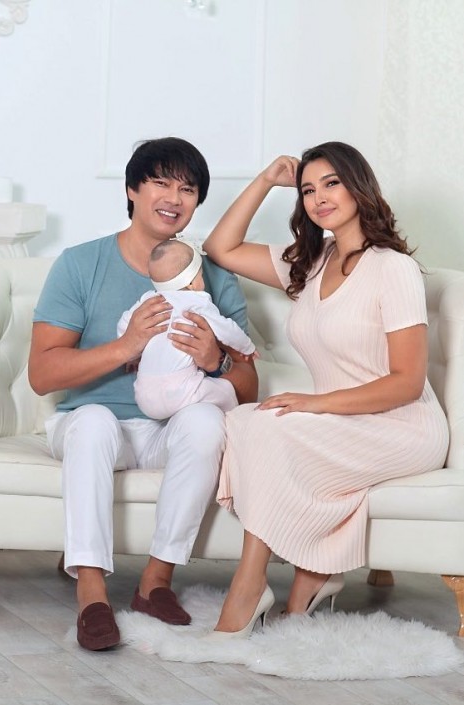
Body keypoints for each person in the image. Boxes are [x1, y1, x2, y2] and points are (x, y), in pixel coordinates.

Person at [201, 141, 449, 640]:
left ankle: (250, 586)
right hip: (340, 421)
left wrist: (314, 404)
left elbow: (406, 381)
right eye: (308, 190)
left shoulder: (392, 267)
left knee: (268, 428)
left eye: (331, 183)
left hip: (402, 425)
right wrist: (266, 180)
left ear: (359, 185)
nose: (319, 198)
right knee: (243, 421)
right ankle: (312, 577)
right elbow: (220, 247)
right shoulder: (312, 261)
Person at [28, 136, 259, 651]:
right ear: (132, 189)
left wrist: (216, 361)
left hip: (167, 429)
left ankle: (156, 583)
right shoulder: (80, 263)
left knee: (206, 421)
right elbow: (41, 374)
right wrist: (126, 345)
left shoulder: (212, 277)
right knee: (93, 422)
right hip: (90, 423)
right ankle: (91, 594)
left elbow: (248, 386)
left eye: (187, 189)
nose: (173, 198)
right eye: (160, 183)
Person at [117, 238, 257, 420]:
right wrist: (247, 347)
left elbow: (124, 325)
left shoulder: (148, 301)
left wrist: (133, 355)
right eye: (201, 275)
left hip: (144, 396)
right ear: (192, 283)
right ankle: (239, 419)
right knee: (227, 391)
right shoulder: (198, 302)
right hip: (182, 390)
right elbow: (227, 330)